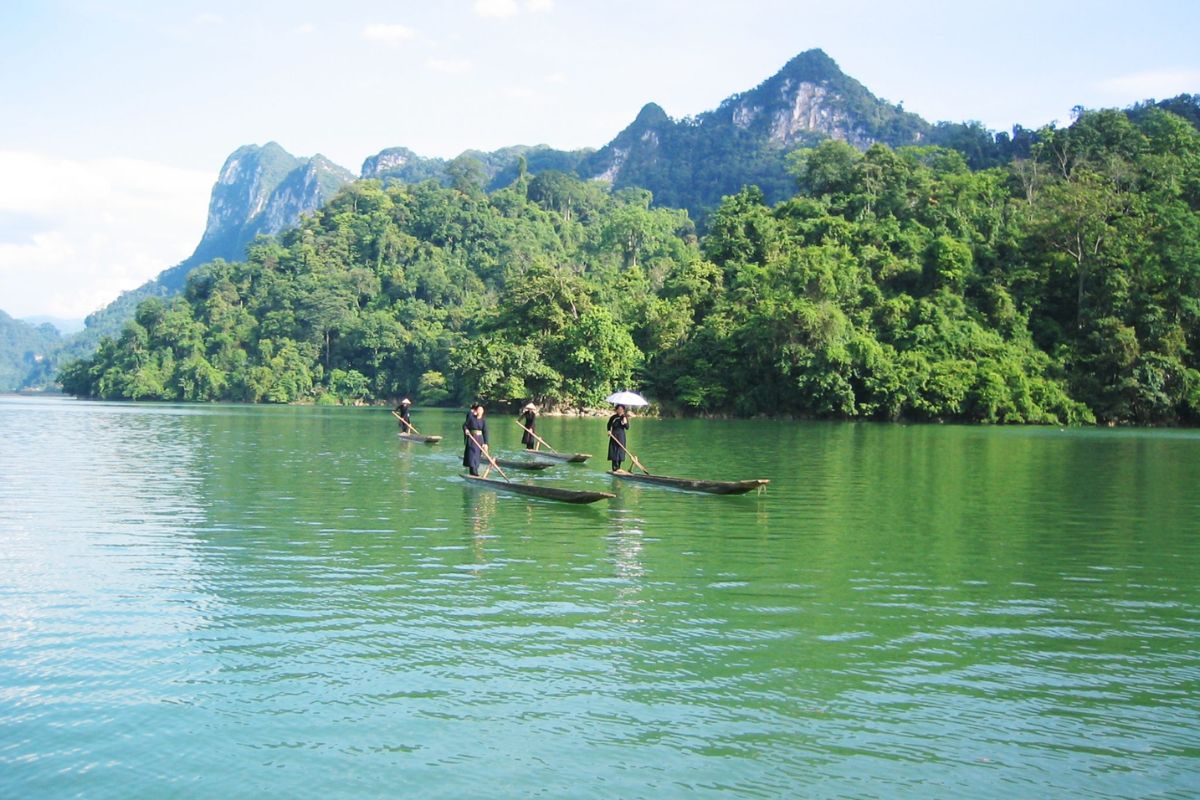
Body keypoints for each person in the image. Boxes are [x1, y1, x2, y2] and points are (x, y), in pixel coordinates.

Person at [462, 402, 490, 477]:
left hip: (480, 439)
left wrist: (486, 443)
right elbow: (465, 425)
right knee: (472, 454)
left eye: (481, 410)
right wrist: (466, 430)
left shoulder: (483, 420)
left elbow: (485, 432)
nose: (480, 411)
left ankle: (475, 470)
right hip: (472, 438)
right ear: (476, 411)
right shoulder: (471, 418)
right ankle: (473, 472)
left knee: (477, 455)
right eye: (479, 410)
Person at [606, 404, 629, 472]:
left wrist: (624, 423)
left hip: (621, 436)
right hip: (614, 436)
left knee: (620, 451)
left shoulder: (624, 417)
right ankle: (614, 468)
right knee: (614, 451)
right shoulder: (613, 417)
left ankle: (618, 467)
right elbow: (608, 425)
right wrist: (609, 431)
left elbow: (627, 427)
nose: (620, 410)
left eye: (621, 409)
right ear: (616, 410)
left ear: (623, 410)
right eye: (619, 409)